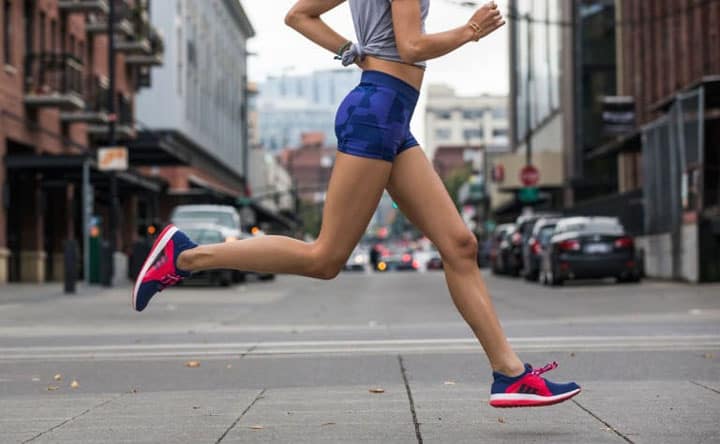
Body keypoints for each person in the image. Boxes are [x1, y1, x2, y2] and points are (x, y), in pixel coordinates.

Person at [131, 0, 580, 408]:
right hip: (378, 113)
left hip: (389, 114)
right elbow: (412, 44)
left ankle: (511, 374)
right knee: (325, 257)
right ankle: (186, 255)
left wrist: (353, 49)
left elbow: (298, 15)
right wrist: (470, 31)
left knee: (460, 244)